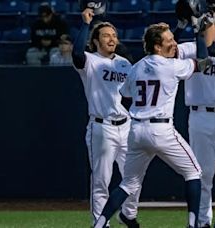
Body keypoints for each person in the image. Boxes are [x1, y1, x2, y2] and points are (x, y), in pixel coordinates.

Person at [94, 22, 213, 228]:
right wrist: (198, 34)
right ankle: (193, 224)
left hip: (137, 129)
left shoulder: (137, 66)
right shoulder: (172, 66)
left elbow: (124, 94)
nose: (175, 44)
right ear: (157, 46)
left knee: (128, 183)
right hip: (161, 129)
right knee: (194, 173)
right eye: (169, 41)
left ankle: (99, 224)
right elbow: (203, 62)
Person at [71, 8, 141, 228]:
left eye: (114, 35)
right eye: (106, 35)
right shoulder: (90, 61)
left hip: (126, 125)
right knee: (101, 180)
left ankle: (128, 215)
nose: (112, 38)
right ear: (95, 41)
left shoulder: (124, 62)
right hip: (102, 127)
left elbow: (132, 94)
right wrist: (85, 24)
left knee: (133, 177)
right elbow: (76, 55)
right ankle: (101, 223)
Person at [177, 15, 215, 228]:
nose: (203, 27)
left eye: (208, 24)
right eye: (200, 24)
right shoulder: (190, 47)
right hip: (200, 115)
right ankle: (203, 221)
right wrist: (184, 26)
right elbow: (170, 52)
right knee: (203, 172)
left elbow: (214, 50)